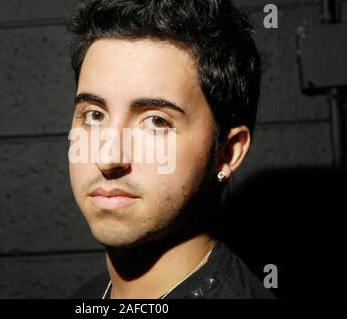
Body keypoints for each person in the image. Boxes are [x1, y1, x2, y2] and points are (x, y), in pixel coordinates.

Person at [67, 0, 275, 299]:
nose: (107, 158)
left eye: (155, 121)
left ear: (227, 153)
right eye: (95, 115)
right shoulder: (90, 295)